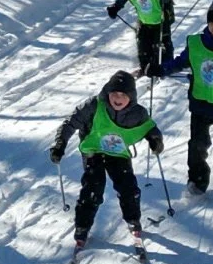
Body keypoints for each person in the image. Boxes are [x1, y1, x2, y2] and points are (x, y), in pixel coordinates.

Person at [145, 0, 213, 206]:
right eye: (212, 22)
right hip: (200, 104)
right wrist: (161, 69)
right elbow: (180, 63)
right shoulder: (195, 43)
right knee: (197, 146)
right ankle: (197, 181)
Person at [49, 70, 164, 251]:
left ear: (131, 97)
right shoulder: (95, 105)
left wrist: (155, 140)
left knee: (127, 185)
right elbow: (71, 122)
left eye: (123, 95)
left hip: (118, 153)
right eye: (114, 94)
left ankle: (133, 219)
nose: (118, 98)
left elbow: (151, 128)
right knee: (93, 186)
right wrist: (60, 144)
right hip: (93, 150)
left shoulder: (137, 113)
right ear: (107, 93)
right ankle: (82, 226)